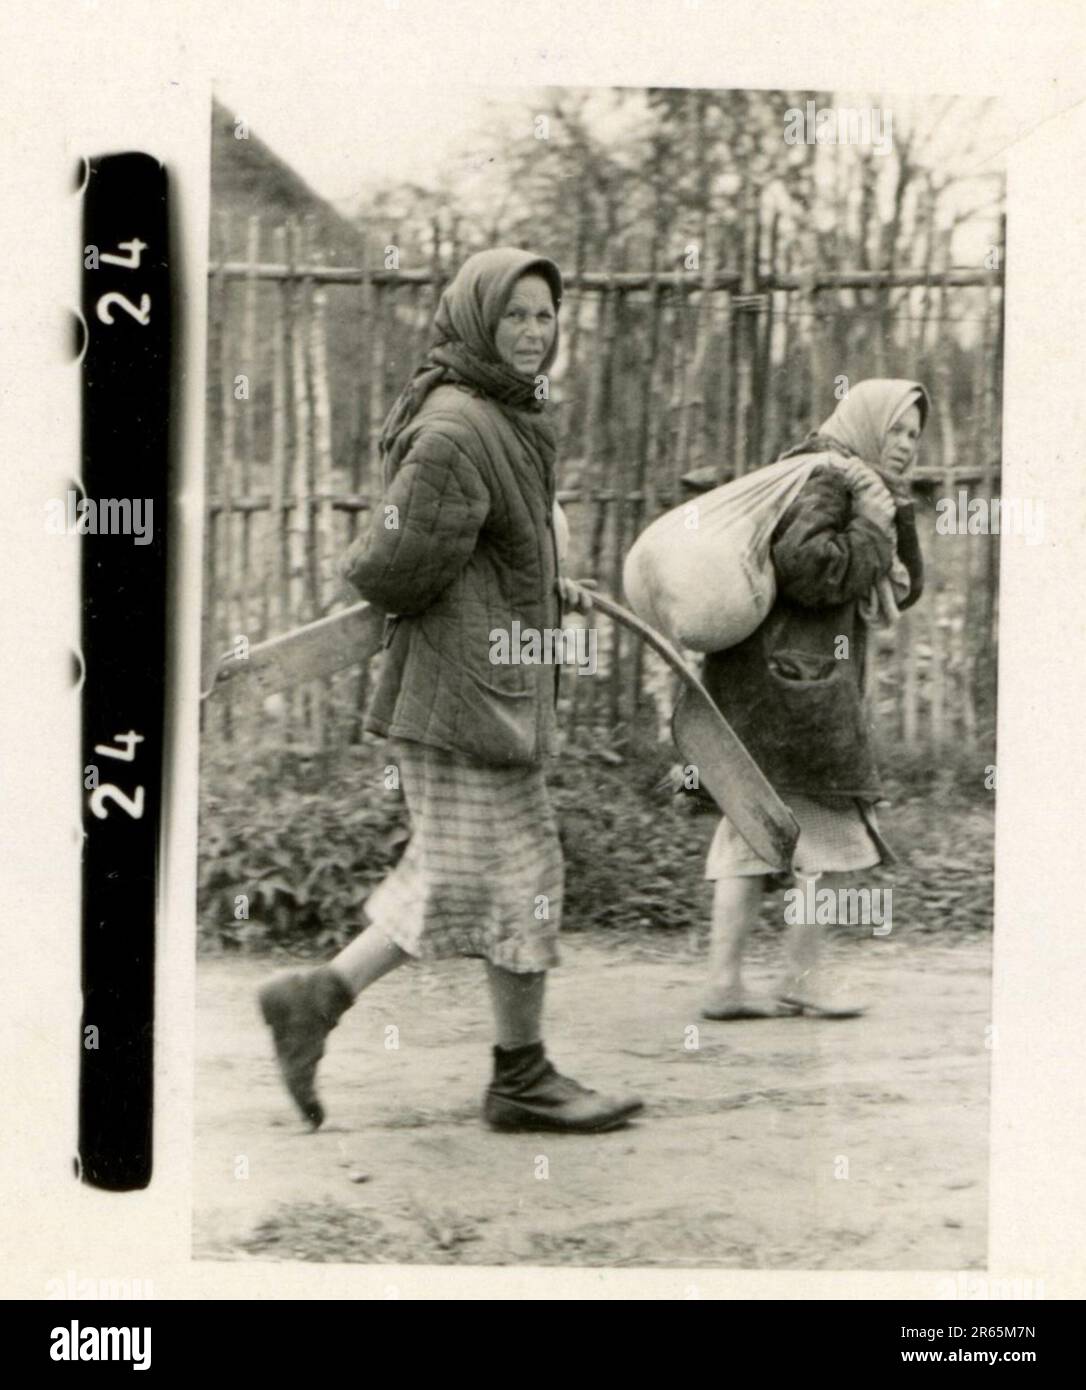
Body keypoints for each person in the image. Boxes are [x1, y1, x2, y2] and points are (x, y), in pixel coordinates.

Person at [258, 247, 643, 1133]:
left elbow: (492, 542)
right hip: (464, 696)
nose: (534, 333)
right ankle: (518, 1078)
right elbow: (395, 565)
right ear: (477, 319)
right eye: (515, 315)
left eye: (546, 316)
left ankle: (319, 1003)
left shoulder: (507, 418)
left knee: (471, 874)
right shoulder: (457, 429)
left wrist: (548, 579)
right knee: (519, 874)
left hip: (488, 689)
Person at [698, 378, 930, 1020]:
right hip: (782, 690)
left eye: (915, 434)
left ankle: (792, 978)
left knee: (803, 837)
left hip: (800, 688)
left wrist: (893, 513)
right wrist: (873, 531)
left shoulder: (863, 487)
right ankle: (731, 984)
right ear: (865, 424)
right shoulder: (823, 477)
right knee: (764, 833)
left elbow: (906, 589)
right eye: (897, 431)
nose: (907, 445)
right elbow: (809, 566)